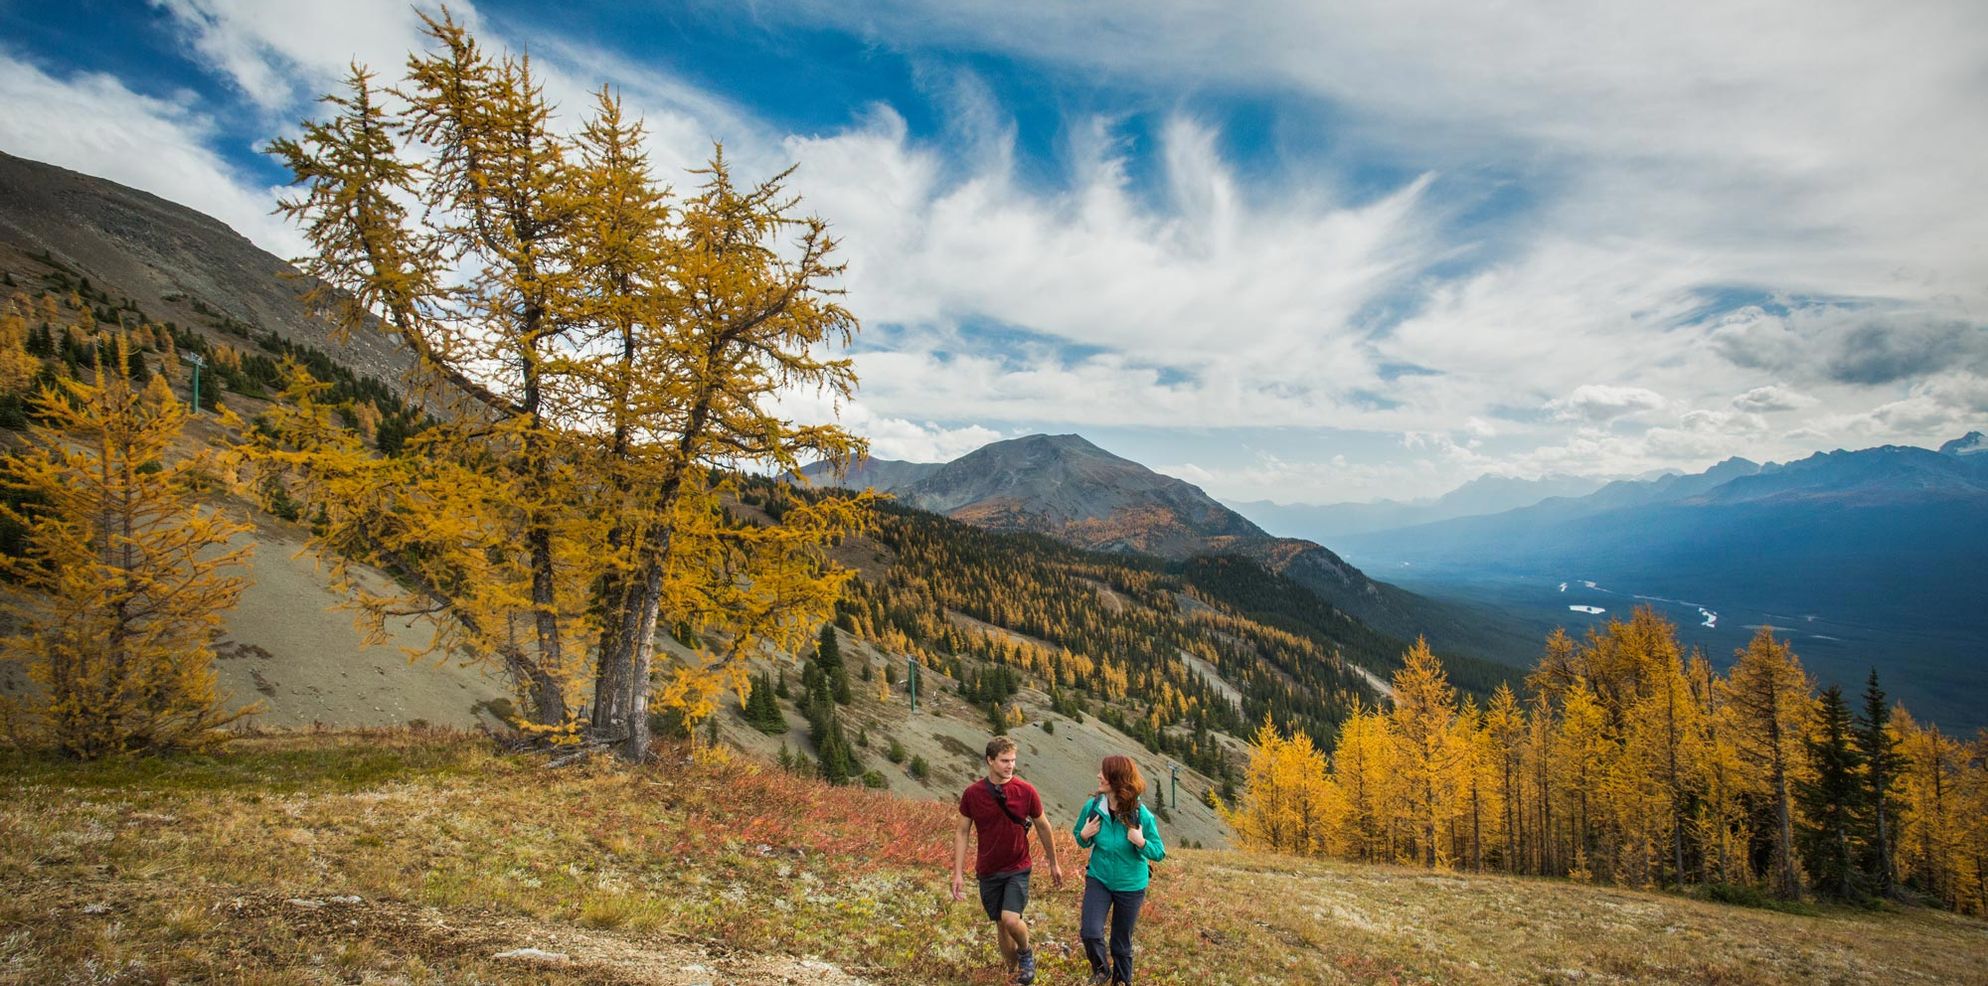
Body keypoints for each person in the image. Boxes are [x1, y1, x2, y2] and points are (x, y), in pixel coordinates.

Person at [953, 735, 1064, 985]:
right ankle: (1014, 974)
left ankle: (1025, 952)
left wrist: (1053, 862)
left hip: (1018, 867)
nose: (1010, 765)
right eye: (1004, 760)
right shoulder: (972, 794)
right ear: (990, 760)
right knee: (1001, 925)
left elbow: (1044, 827)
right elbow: (962, 832)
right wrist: (957, 873)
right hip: (988, 870)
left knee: (1011, 919)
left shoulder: (1026, 791)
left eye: (1013, 760)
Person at [1072, 755, 1165, 985]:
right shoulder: (1093, 807)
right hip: (1099, 879)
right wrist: (1083, 836)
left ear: (1116, 779)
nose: (1098, 776)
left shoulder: (1140, 814)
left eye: (1103, 773)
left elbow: (1159, 852)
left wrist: (1141, 842)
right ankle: (1102, 970)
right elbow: (1080, 837)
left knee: (1120, 944)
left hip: (1131, 884)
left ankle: (1122, 981)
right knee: (1090, 933)